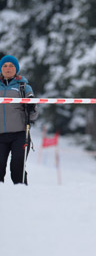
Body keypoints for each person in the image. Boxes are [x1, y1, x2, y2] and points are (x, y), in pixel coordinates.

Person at [0, 55, 39, 185]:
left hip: (19, 134)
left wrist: (31, 106)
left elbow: (33, 116)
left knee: (17, 167)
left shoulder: (23, 87)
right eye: (5, 66)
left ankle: (22, 195)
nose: (8, 68)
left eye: (11, 66)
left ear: (16, 69)